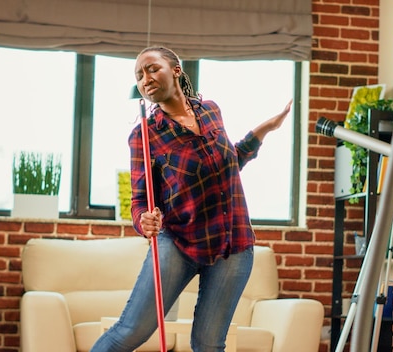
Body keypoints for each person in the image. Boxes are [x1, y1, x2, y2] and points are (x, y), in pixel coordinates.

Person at [90, 46, 291, 352]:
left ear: (176, 71)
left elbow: (227, 162)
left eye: (152, 68)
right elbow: (140, 199)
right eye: (139, 75)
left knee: (209, 345)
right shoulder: (145, 135)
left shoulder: (210, 110)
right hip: (180, 243)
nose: (145, 79)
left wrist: (263, 130)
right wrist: (144, 221)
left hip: (232, 244)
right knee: (130, 332)